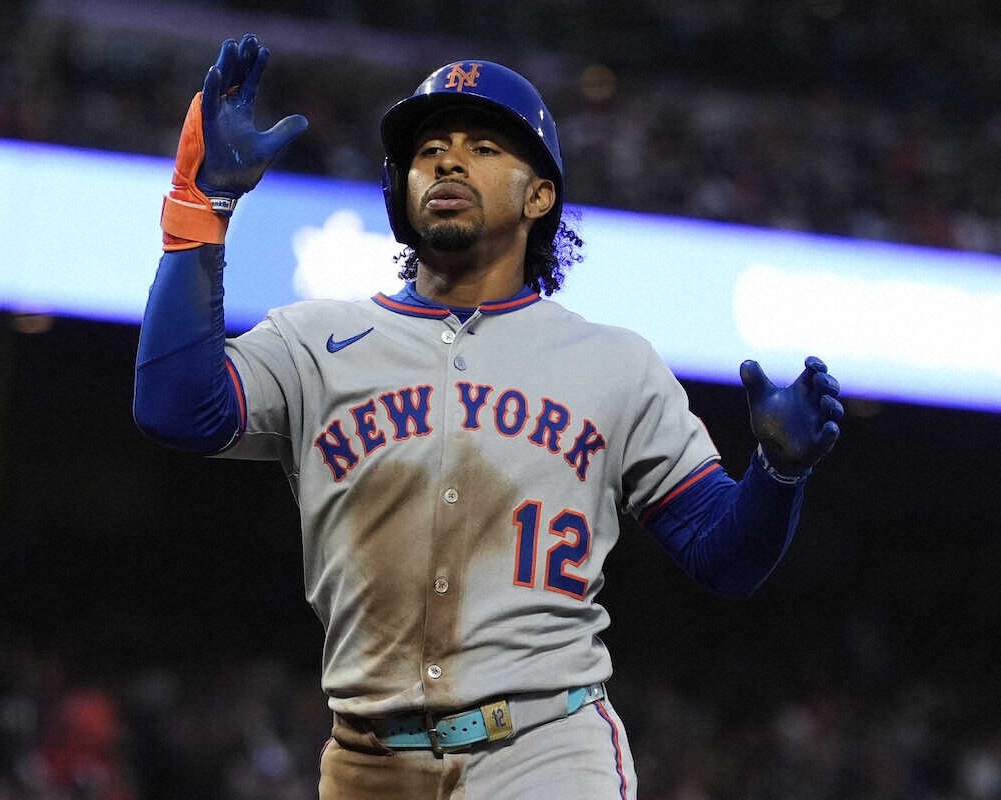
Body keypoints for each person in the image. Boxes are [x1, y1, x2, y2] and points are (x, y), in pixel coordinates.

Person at [133, 34, 843, 800]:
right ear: (398, 190)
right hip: (369, 761)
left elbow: (724, 558)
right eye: (429, 150)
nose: (448, 162)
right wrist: (202, 208)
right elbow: (175, 409)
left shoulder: (613, 363)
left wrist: (778, 474)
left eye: (483, 147)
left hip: (545, 749)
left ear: (539, 196)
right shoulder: (314, 340)